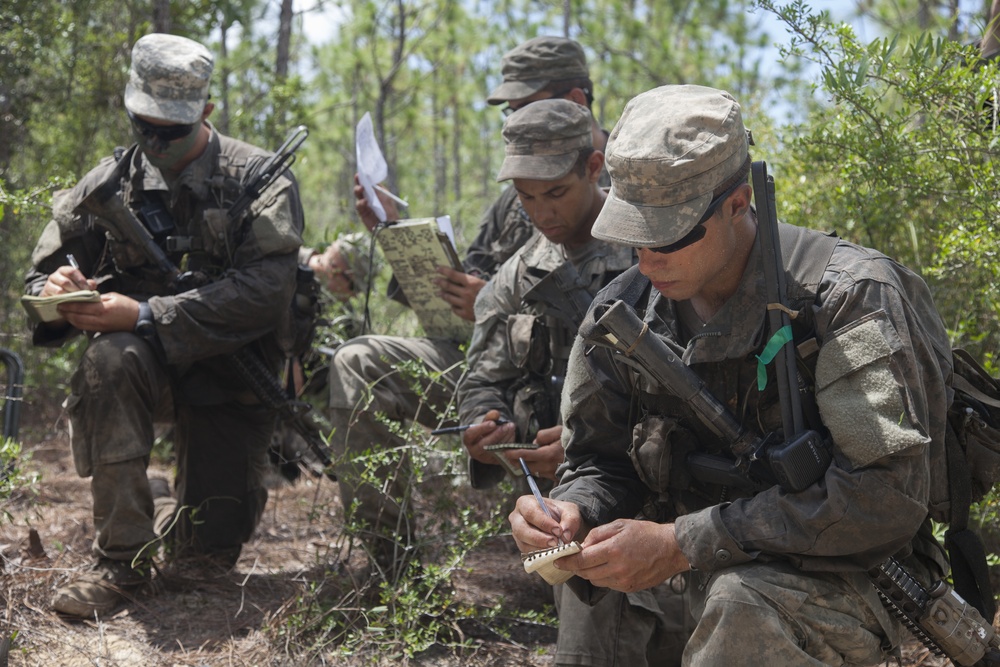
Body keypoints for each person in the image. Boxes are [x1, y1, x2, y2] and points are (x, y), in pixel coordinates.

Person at [509, 84, 954, 665]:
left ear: (738, 203)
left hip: (841, 573)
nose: (646, 259)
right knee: (591, 595)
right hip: (689, 571)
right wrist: (569, 512)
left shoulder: (847, 298)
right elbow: (600, 461)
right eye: (633, 235)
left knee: (742, 602)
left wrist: (681, 543)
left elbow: (883, 498)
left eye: (667, 235)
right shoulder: (621, 314)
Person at [25, 33, 305, 618]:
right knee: (110, 356)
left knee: (204, 556)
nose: (153, 142)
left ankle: (160, 500)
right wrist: (53, 293)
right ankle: (120, 562)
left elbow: (267, 292)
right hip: (143, 370)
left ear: (205, 112)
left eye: (169, 131)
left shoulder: (257, 178)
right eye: (141, 125)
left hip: (232, 378)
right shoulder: (107, 183)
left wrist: (148, 313)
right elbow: (39, 281)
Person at [331, 35, 606, 575]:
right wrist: (395, 234)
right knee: (358, 364)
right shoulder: (516, 197)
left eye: (524, 107)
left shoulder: (635, 187)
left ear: (575, 101)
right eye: (509, 113)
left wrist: (513, 306)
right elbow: (468, 284)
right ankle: (393, 574)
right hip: (508, 376)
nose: (515, 126)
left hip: (596, 397)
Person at [457, 98, 690, 667]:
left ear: (594, 167)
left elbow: (698, 396)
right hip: (562, 496)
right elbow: (481, 373)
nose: (541, 212)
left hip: (661, 493)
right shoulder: (519, 274)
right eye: (525, 197)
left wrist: (594, 442)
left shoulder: (654, 253)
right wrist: (487, 424)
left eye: (555, 192)